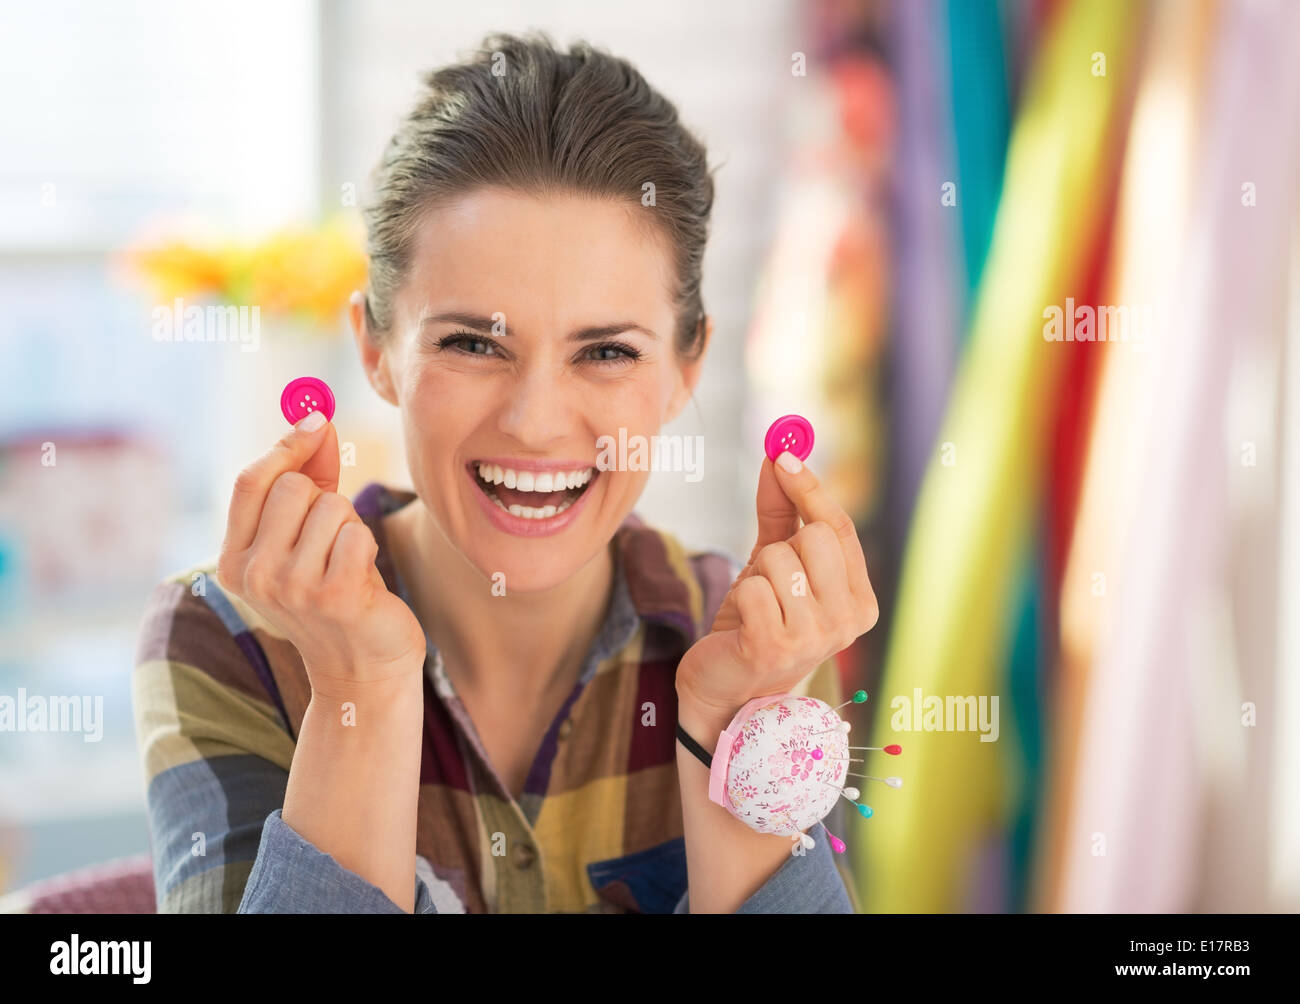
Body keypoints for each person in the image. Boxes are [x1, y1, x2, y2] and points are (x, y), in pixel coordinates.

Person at [131, 30, 878, 914]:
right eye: (473, 343)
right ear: (375, 349)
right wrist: (359, 695)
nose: (534, 422)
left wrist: (737, 734)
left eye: (604, 350)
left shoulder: (762, 645)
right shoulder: (232, 638)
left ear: (686, 369)